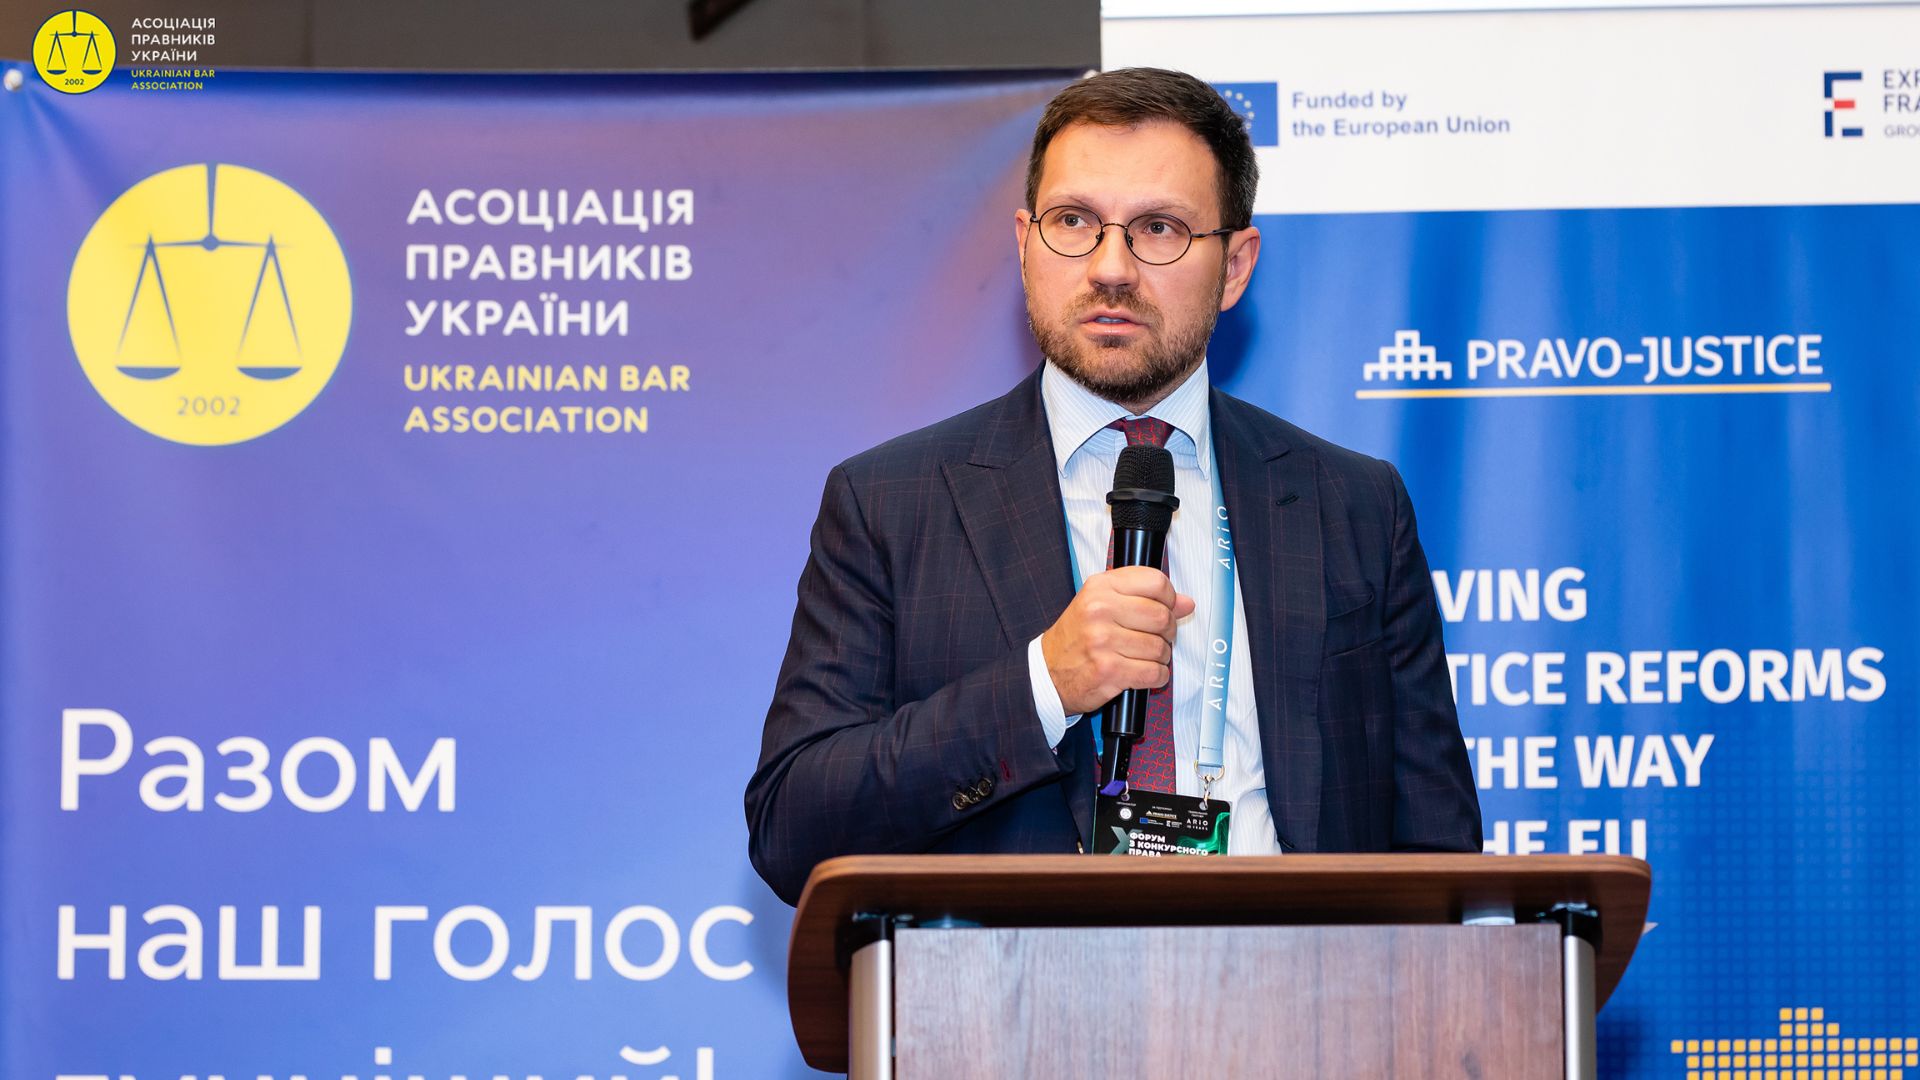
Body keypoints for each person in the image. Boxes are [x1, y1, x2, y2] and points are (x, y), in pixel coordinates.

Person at [745, 67, 1481, 906]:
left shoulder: (1352, 506)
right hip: (1012, 983)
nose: (1110, 268)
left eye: (1159, 228)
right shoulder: (891, 503)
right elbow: (793, 828)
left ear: (1236, 266)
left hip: (1302, 976)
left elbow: (1439, 850)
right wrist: (1043, 685)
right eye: (1073, 222)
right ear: (1025, 243)